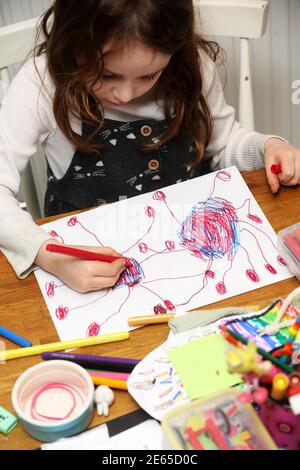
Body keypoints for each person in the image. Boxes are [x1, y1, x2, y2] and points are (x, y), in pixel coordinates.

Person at [0, 0, 299, 293]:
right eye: (106, 75)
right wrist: (46, 253)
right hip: (86, 270)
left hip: (194, 257)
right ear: (71, 42)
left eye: (148, 76)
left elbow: (223, 142)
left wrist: (267, 147)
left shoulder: (192, 67)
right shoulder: (41, 85)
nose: (125, 94)